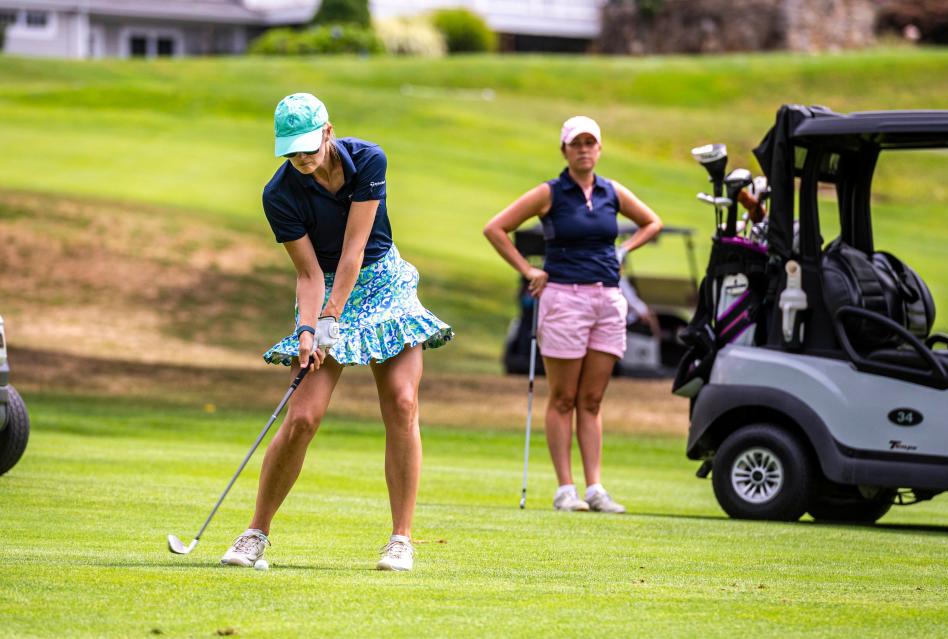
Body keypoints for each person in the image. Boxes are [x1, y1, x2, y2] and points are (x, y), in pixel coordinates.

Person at [221, 93, 453, 572]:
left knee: (403, 403)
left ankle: (401, 539)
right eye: (291, 151)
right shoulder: (278, 194)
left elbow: (355, 250)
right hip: (324, 289)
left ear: (328, 131)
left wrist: (332, 317)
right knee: (303, 417)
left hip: (383, 284)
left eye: (308, 147)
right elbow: (308, 274)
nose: (302, 159)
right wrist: (309, 331)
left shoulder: (368, 159)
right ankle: (254, 533)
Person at [483, 116, 663, 513]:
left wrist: (625, 249)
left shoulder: (611, 192)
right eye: (576, 143)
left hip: (607, 299)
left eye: (590, 143)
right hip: (563, 299)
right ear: (564, 150)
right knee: (564, 397)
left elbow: (652, 222)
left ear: (599, 149)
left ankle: (595, 487)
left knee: (593, 398)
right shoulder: (550, 193)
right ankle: (566, 489)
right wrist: (528, 270)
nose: (584, 149)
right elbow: (496, 228)